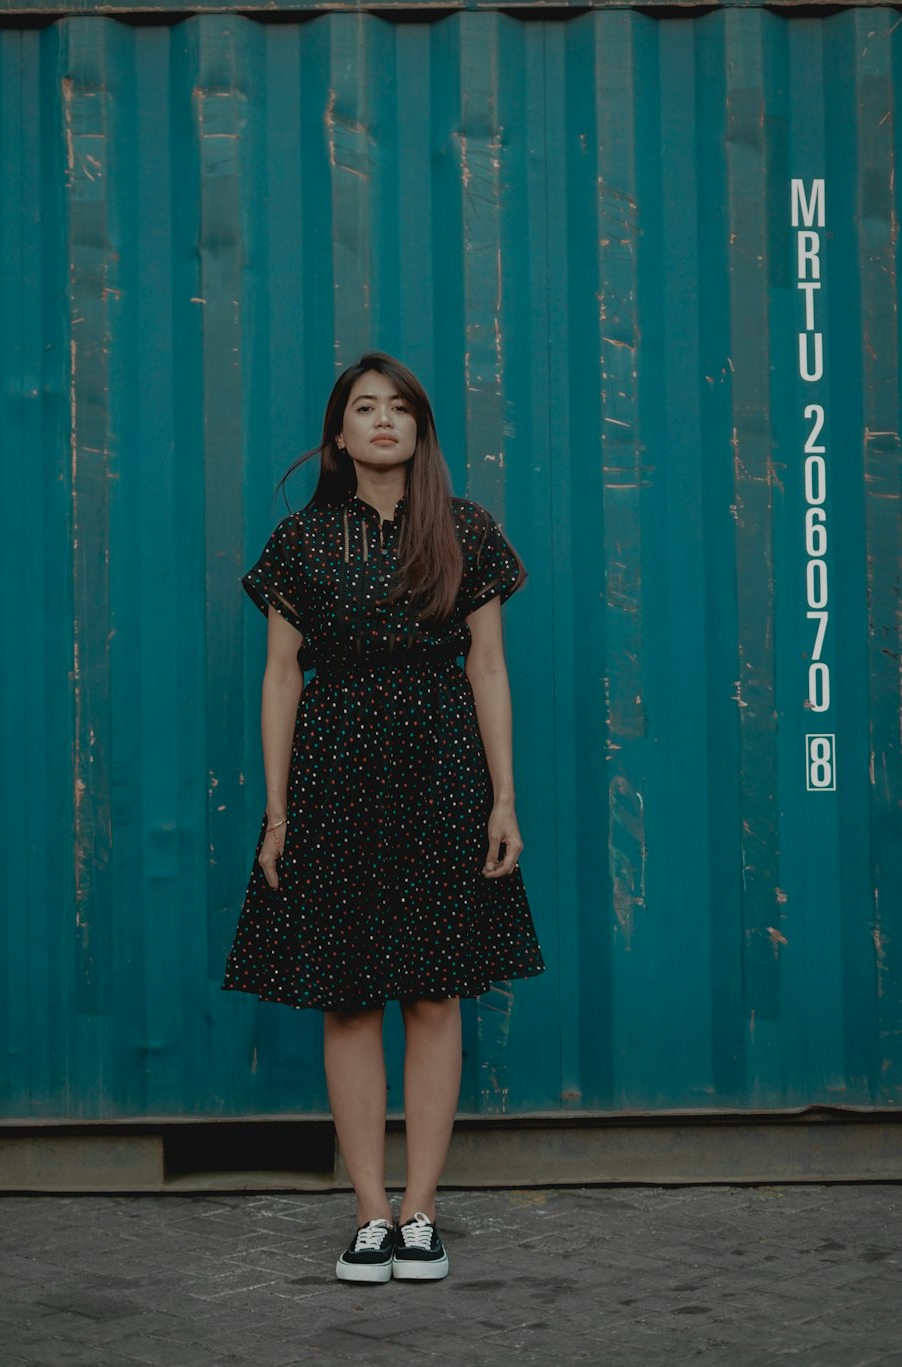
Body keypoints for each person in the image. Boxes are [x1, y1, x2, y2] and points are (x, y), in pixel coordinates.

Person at [221, 351, 545, 1283]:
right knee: (350, 994)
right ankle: (369, 1213)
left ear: (420, 430)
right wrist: (278, 812)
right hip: (334, 771)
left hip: (441, 769)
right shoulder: (301, 541)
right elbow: (282, 677)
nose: (384, 420)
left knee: (435, 991)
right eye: (366, 408)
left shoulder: (469, 531)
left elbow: (487, 669)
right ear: (339, 435)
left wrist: (504, 796)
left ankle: (422, 1211)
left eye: (400, 408)